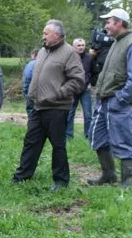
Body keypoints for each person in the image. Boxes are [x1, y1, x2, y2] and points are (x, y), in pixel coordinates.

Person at [11, 20, 84, 191]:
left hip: (57, 108)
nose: (43, 36)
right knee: (31, 142)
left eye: (46, 33)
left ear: (56, 35)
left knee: (58, 145)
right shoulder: (43, 51)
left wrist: (58, 93)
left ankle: (61, 181)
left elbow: (78, 80)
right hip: (38, 106)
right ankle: (23, 175)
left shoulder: (69, 53)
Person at [87, 8, 132, 188]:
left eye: (109, 21)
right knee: (97, 137)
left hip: (118, 102)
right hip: (103, 100)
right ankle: (108, 175)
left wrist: (121, 99)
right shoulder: (116, 42)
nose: (106, 25)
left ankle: (128, 182)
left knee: (124, 141)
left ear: (119, 22)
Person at [66, 38, 93, 139]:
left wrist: (91, 82)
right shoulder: (69, 57)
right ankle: (68, 135)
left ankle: (88, 136)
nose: (81, 47)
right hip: (72, 90)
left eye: (83, 45)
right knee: (69, 113)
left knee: (88, 114)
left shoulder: (89, 57)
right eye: (79, 45)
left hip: (85, 90)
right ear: (73, 47)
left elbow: (93, 72)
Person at [22, 49, 38, 117]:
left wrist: (25, 91)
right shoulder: (40, 64)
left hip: (29, 90)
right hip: (37, 91)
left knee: (30, 110)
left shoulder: (30, 64)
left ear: (34, 55)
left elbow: (26, 78)